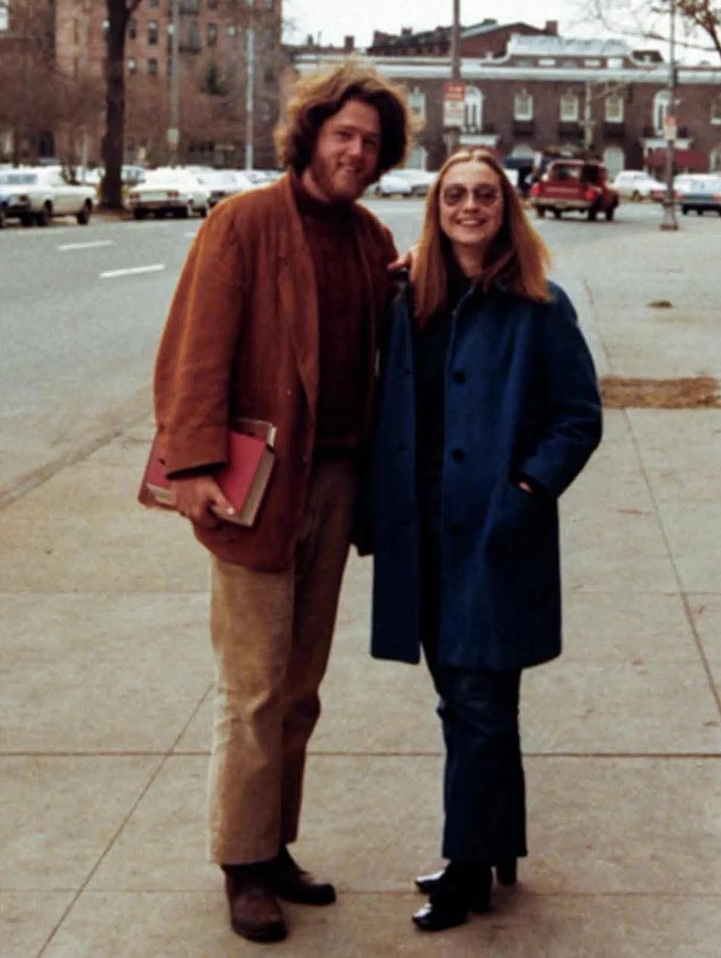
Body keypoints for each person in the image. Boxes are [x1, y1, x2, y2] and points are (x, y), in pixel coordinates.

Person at [153, 63, 410, 943]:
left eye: (371, 142)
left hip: (337, 481)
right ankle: (241, 864)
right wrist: (191, 469)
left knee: (300, 687)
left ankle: (274, 844)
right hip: (255, 485)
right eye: (343, 134)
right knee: (255, 685)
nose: (357, 151)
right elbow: (197, 347)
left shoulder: (372, 238)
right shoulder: (246, 223)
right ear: (309, 135)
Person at [369, 146, 602, 932]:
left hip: (495, 533)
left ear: (507, 209)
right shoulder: (409, 301)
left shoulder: (539, 305)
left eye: (485, 196)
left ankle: (468, 868)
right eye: (454, 196)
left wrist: (527, 490)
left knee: (478, 701)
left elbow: (578, 417)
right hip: (423, 531)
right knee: (463, 702)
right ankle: (495, 844)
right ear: (436, 210)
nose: (469, 206)